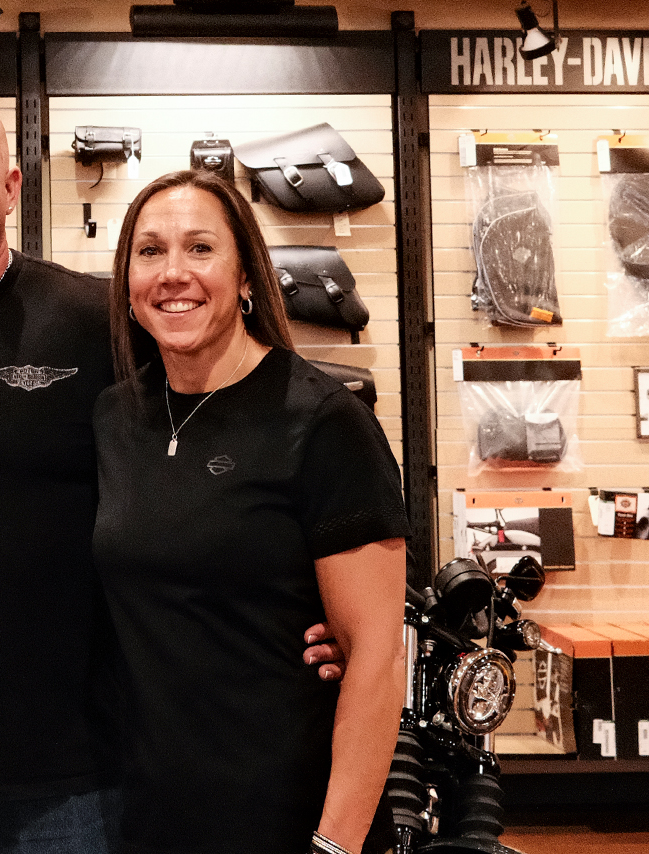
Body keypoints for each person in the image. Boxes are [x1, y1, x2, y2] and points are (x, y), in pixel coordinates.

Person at [0, 94, 346, 854]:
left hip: (79, 781)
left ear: (13, 187)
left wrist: (310, 611)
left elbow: (239, 444)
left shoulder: (104, 323)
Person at [91, 169, 406, 854]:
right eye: (150, 252)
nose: (173, 272)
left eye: (200, 248)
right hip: (147, 817)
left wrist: (336, 845)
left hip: (289, 819)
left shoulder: (323, 420)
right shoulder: (115, 418)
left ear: (247, 278)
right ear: (127, 282)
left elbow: (375, 659)